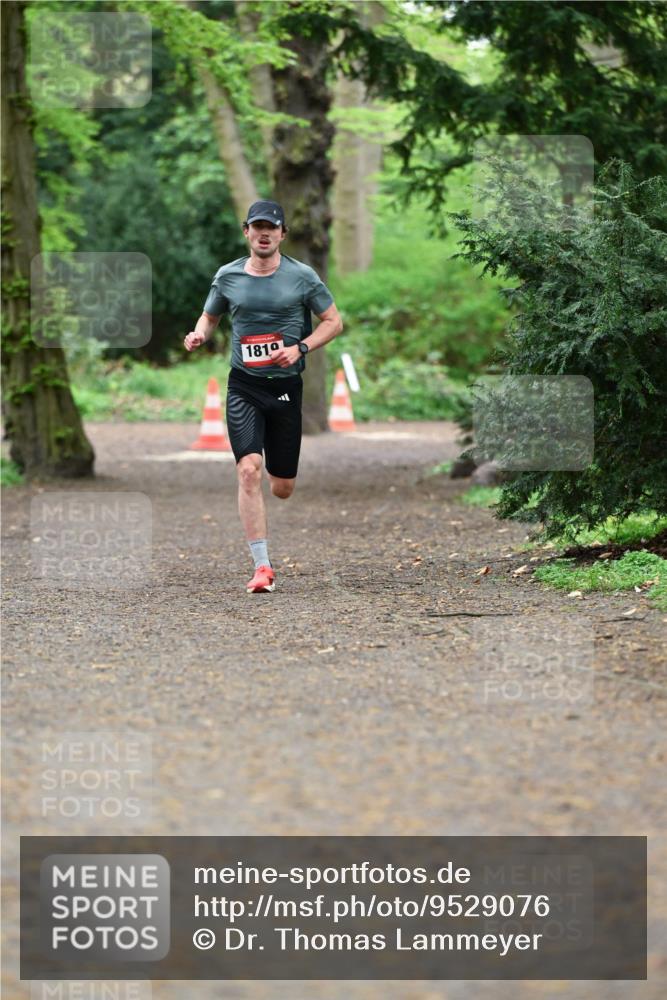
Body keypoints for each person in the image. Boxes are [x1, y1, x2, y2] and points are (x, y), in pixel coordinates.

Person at [184, 199, 343, 593]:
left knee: (282, 486)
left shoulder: (303, 276)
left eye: (271, 227)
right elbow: (211, 315)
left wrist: (301, 348)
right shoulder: (228, 276)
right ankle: (262, 567)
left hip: (286, 388)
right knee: (248, 469)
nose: (264, 233)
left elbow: (334, 322)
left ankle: (281, 477)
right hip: (245, 386)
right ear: (246, 232)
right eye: (257, 227)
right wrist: (200, 332)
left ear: (282, 234)